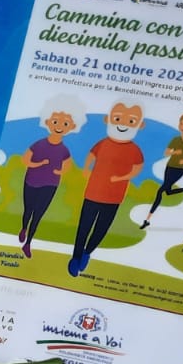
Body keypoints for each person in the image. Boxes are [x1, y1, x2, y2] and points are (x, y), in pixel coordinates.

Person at [68, 101, 145, 276]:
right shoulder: (103, 143)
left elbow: (137, 168)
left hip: (114, 197)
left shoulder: (134, 149)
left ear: (139, 125)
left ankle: (87, 252)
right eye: (118, 119)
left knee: (101, 229)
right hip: (93, 193)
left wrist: (121, 178)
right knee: (83, 227)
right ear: (108, 120)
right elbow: (91, 154)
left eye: (131, 121)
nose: (123, 124)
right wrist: (86, 169)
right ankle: (75, 257)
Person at [18, 101, 79, 256]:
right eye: (56, 122)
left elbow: (67, 165)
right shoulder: (38, 144)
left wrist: (60, 171)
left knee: (38, 215)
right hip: (31, 181)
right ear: (48, 123)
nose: (59, 126)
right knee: (28, 210)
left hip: (50, 184)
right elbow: (25, 160)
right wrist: (38, 164)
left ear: (70, 127)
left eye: (65, 124)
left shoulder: (64, 150)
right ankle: (24, 228)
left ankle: (28, 243)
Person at [141, 112, 183, 228]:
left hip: (179, 169)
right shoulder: (175, 139)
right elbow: (166, 153)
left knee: (161, 191)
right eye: (182, 124)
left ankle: (147, 219)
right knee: (167, 191)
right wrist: (174, 152)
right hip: (170, 166)